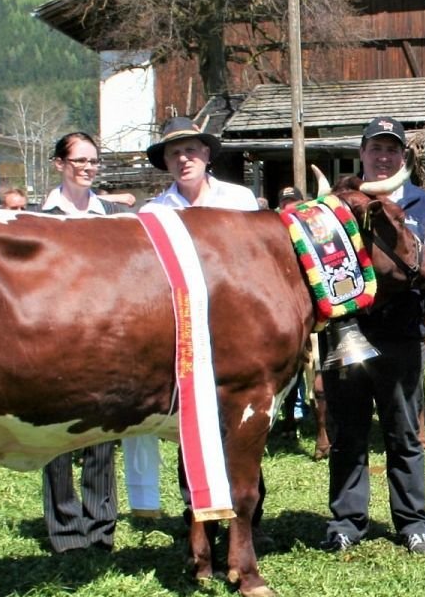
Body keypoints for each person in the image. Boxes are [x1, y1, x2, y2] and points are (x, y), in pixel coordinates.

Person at [324, 116, 425, 554]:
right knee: (347, 431)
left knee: (404, 431)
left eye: (392, 150)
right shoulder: (334, 205)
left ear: (404, 156)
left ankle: (413, 522)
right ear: (361, 153)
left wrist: (412, 269)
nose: (383, 157)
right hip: (345, 334)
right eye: (375, 149)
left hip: (401, 334)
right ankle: (347, 521)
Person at [124, 117, 260, 528]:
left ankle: (248, 522)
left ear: (207, 155)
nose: (184, 159)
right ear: (166, 162)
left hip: (237, 331)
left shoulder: (239, 200)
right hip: (183, 333)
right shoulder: (153, 212)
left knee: (243, 423)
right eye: (174, 153)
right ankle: (198, 517)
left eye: (191, 150)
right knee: (194, 423)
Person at [33, 131, 132, 552]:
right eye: (80, 161)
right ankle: (65, 530)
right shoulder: (40, 217)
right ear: (60, 164)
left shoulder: (113, 215)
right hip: (55, 335)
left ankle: (100, 525)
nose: (88, 168)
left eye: (94, 161)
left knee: (101, 435)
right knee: (57, 436)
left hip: (104, 335)